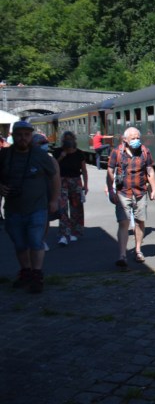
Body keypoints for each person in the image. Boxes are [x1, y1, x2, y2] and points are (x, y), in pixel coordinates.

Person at [0, 121, 60, 293]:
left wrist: (54, 199)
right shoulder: (4, 155)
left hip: (37, 207)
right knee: (19, 244)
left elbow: (54, 176)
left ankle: (37, 274)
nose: (23, 138)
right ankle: (25, 272)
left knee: (35, 241)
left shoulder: (40, 156)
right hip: (13, 208)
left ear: (31, 136)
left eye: (26, 135)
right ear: (12, 136)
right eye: (19, 135)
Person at [107, 127, 155, 267]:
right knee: (123, 222)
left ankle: (138, 250)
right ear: (125, 140)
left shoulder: (145, 151)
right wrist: (110, 190)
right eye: (133, 138)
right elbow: (110, 171)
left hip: (140, 192)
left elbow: (150, 170)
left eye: (137, 138)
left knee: (140, 222)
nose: (136, 141)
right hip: (123, 192)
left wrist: (154, 188)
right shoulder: (117, 152)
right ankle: (122, 255)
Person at [53, 131, 88, 246]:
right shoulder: (57, 152)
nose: (68, 140)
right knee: (62, 207)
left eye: (70, 138)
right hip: (61, 181)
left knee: (76, 207)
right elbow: (53, 167)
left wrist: (85, 185)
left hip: (76, 181)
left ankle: (74, 231)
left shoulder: (79, 153)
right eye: (65, 138)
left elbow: (84, 170)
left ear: (74, 140)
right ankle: (64, 234)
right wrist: (61, 158)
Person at [32, 133, 59, 251]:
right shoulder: (28, 159)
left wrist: (54, 199)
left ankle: (42, 240)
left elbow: (56, 179)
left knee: (46, 219)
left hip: (46, 193)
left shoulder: (51, 160)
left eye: (45, 143)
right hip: (32, 195)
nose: (44, 145)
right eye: (41, 143)